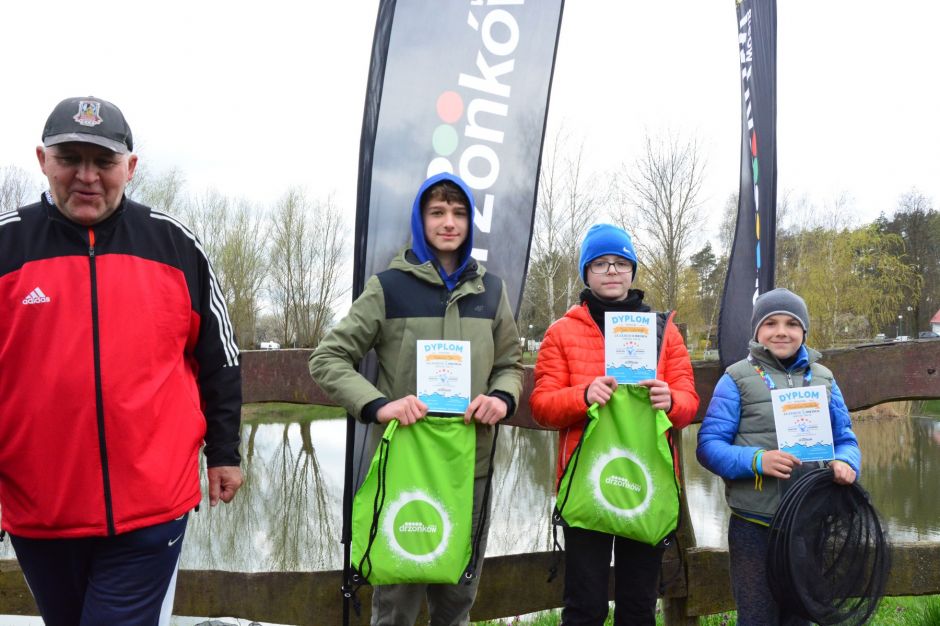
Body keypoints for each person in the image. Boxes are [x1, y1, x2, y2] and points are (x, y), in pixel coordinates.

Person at [0, 96, 243, 625]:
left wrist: (225, 452)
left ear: (130, 167)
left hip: (151, 509)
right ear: (42, 160)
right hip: (40, 511)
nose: (87, 176)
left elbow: (220, 359)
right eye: (70, 159)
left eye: (104, 161)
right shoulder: (7, 244)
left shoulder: (174, 244)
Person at [309, 172, 523, 625]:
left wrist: (502, 398)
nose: (449, 222)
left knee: (457, 604)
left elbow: (510, 363)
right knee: (395, 607)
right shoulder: (388, 287)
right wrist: (378, 405)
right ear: (420, 220)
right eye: (437, 212)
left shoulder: (492, 291)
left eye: (459, 213)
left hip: (471, 468)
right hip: (404, 467)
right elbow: (327, 358)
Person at [529, 223, 699, 626]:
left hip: (647, 481)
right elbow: (541, 406)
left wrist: (672, 401)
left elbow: (689, 402)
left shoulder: (664, 331)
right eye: (600, 263)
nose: (611, 271)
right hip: (585, 484)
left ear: (632, 271)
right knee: (584, 607)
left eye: (621, 263)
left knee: (639, 607)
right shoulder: (561, 332)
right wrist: (582, 395)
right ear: (586, 272)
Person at [696, 288, 861, 626]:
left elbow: (845, 439)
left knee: (800, 616)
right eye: (771, 323)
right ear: (757, 331)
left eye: (792, 324)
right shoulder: (736, 378)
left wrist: (847, 462)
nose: (781, 331)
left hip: (809, 522)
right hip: (754, 524)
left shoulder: (824, 379)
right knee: (757, 615)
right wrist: (757, 461)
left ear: (804, 331)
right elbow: (709, 446)